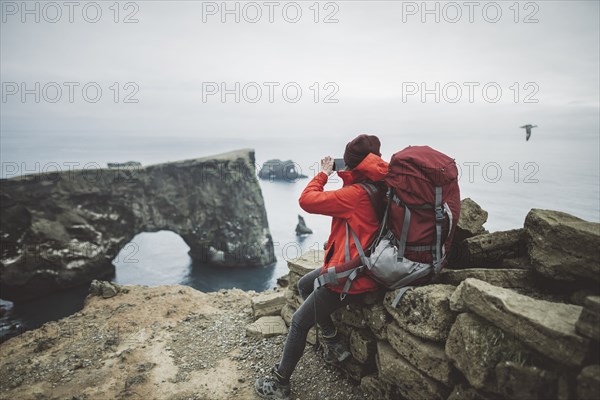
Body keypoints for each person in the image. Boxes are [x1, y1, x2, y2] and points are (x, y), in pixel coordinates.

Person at [255, 134, 389, 400]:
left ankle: (280, 383)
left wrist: (324, 174)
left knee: (299, 321)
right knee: (305, 284)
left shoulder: (355, 195)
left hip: (352, 279)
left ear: (350, 164)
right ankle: (333, 342)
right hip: (364, 267)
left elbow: (307, 200)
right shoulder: (380, 185)